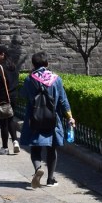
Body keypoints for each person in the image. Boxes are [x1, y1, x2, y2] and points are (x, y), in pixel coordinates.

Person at [19, 51, 75, 188]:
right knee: (51, 149)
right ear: (47, 63)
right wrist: (70, 117)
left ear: (33, 64)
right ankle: (50, 179)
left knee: (35, 148)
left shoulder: (29, 79)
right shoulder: (56, 79)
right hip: (52, 120)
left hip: (34, 119)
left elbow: (23, 95)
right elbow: (63, 101)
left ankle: (38, 169)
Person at [0, 44, 20, 154]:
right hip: (13, 96)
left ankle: (5, 147)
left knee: (3, 122)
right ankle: (15, 141)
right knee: (11, 119)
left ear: (2, 54)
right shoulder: (13, 67)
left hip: (3, 97)